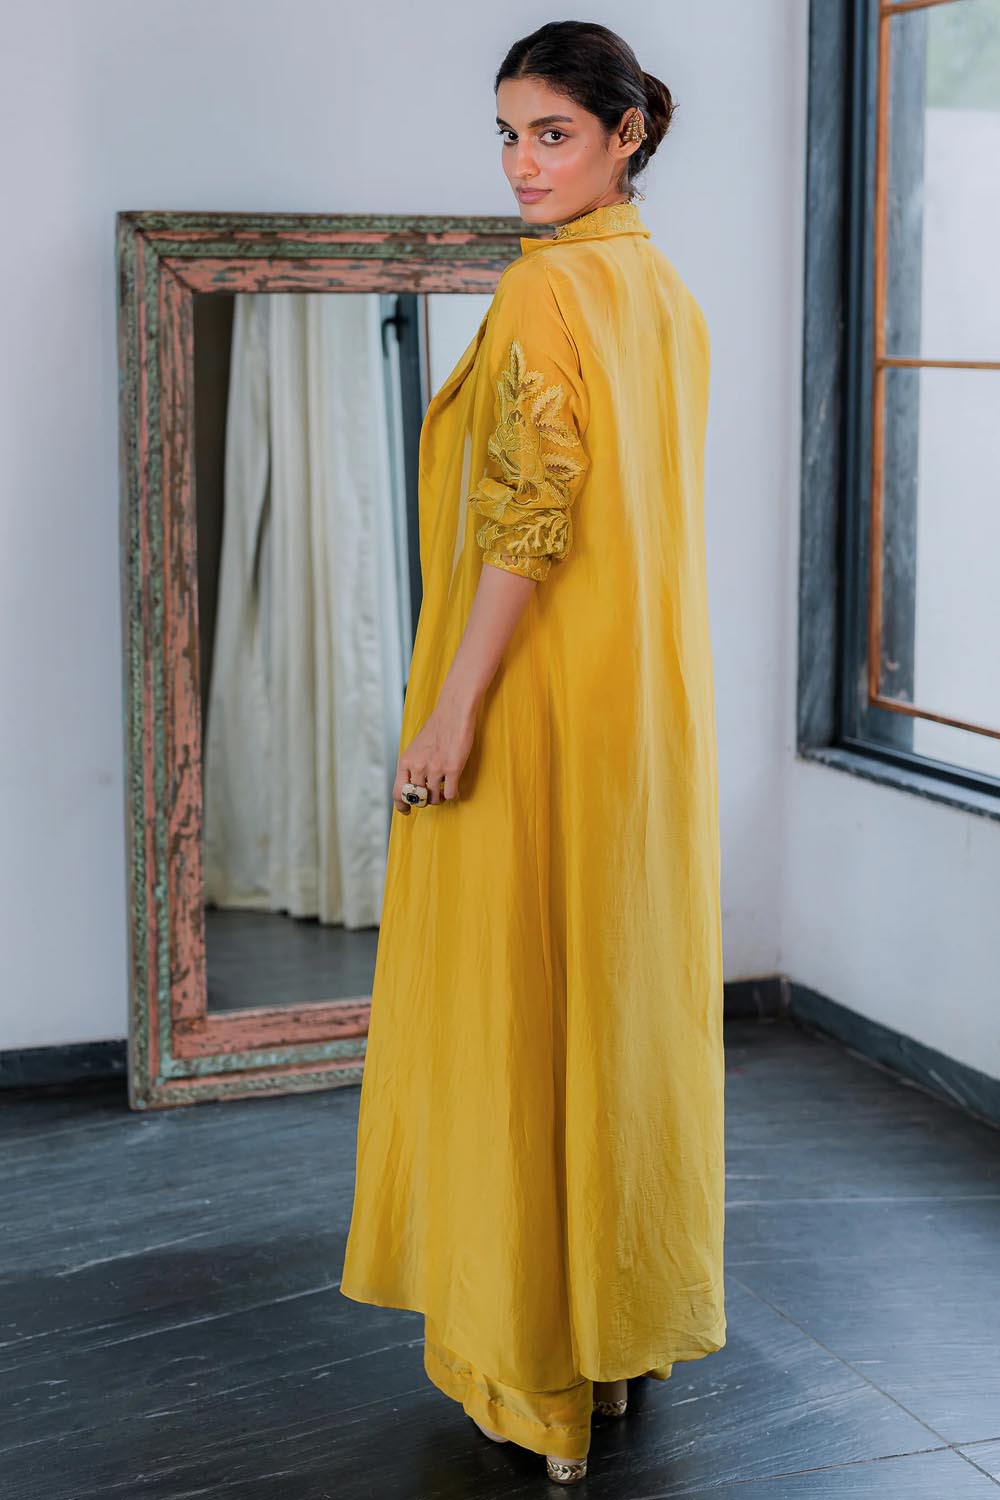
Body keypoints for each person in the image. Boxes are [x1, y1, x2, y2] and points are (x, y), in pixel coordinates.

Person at [339, 20, 726, 1487]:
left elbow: (528, 520)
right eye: (507, 134)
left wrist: (452, 710)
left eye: (552, 133)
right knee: (611, 1006)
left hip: (541, 705)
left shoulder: (547, 290)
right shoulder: (663, 292)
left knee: (515, 1014)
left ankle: (534, 1378)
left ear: (627, 134)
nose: (520, 163)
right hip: (643, 717)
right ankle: (610, 1346)